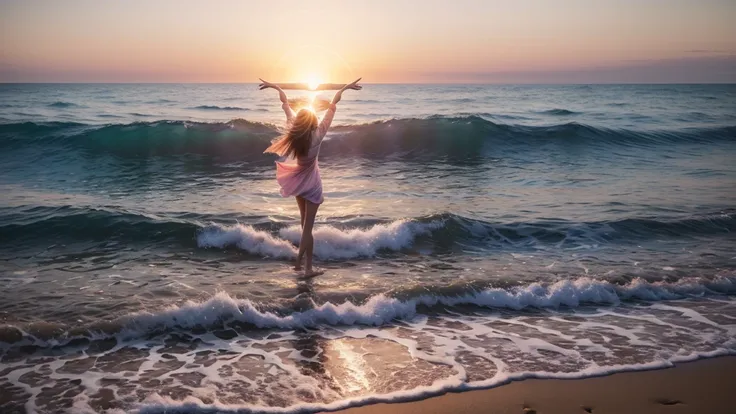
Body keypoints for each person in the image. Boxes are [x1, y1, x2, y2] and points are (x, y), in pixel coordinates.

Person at [260, 77, 362, 277]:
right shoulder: (319, 132)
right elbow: (333, 106)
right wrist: (344, 88)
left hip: (297, 180)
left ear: (298, 122)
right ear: (313, 121)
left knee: (303, 225)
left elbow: (285, 104)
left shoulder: (294, 134)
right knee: (308, 229)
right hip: (312, 185)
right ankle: (305, 268)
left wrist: (276, 86)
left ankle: (301, 266)